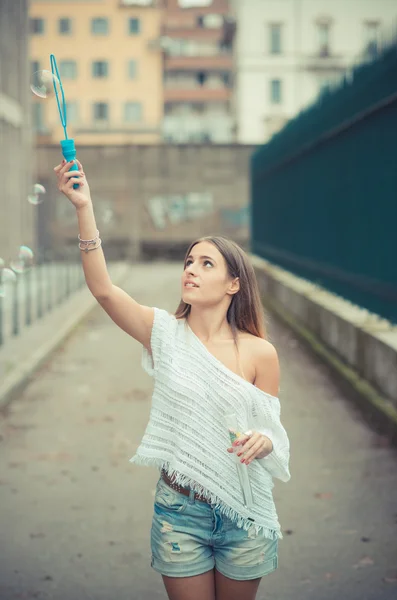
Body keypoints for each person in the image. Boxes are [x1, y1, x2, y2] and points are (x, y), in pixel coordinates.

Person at [54, 159, 291, 600]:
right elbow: (104, 289)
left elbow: (271, 431)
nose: (191, 269)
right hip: (179, 512)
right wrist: (83, 207)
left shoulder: (262, 353)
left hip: (245, 513)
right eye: (189, 261)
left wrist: (265, 440)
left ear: (233, 284)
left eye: (206, 263)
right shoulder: (162, 333)